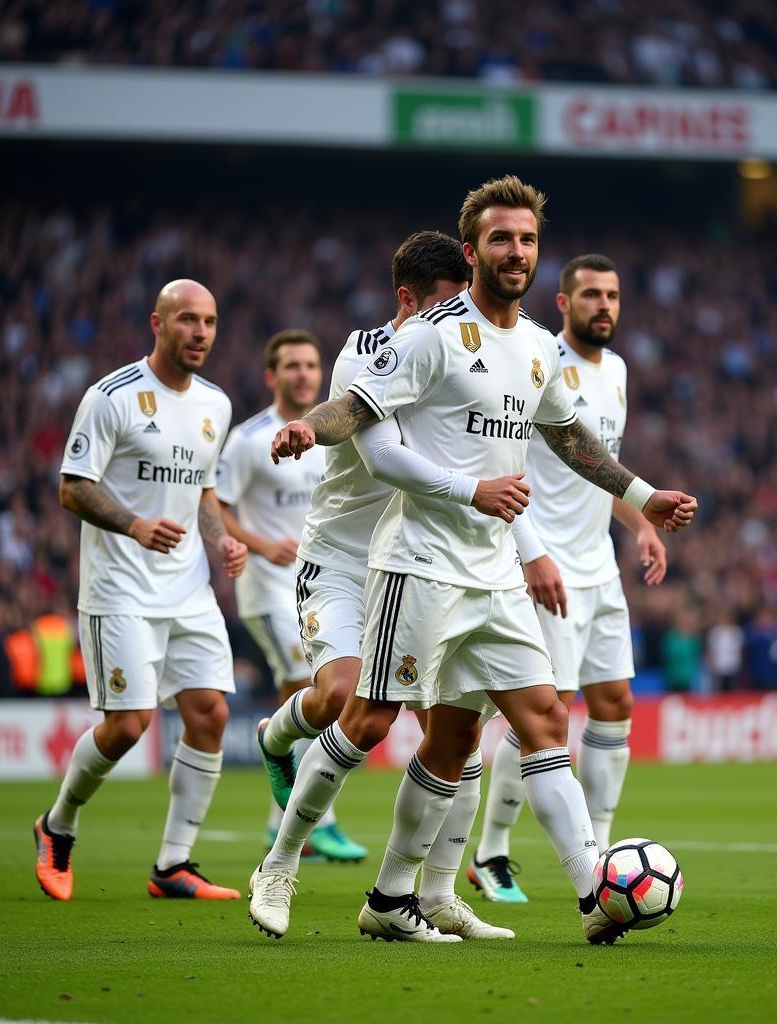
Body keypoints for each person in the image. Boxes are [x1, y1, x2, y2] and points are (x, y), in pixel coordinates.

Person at [256, 176, 697, 945]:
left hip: (492, 571)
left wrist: (645, 493)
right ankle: (280, 862)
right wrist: (307, 427)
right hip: (417, 565)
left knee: (528, 723)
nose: (516, 251)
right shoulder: (428, 336)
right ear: (472, 250)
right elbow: (357, 412)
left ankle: (552, 894)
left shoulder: (535, 349)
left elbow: (568, 437)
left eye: (527, 239)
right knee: (368, 719)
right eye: (501, 239)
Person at [250, 230, 519, 941]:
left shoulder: (478, 353)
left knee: (454, 734)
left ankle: (433, 896)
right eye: (446, 299)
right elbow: (361, 430)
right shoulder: (370, 350)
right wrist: (309, 425)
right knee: (349, 704)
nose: (462, 311)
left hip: (424, 563)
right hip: (341, 560)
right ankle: (278, 856)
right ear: (409, 300)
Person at [33, 279, 247, 901]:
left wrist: (221, 538)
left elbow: (203, 489)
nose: (200, 333)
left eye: (209, 322)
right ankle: (57, 824)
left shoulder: (216, 404)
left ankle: (173, 865)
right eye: (187, 320)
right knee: (129, 727)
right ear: (157, 323)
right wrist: (133, 524)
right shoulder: (112, 398)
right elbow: (72, 487)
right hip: (120, 590)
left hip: (188, 589)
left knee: (210, 713)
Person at [469, 253, 667, 903]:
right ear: (563, 303)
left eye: (612, 295)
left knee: (615, 706)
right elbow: (508, 461)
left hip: (600, 568)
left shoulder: (618, 371)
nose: (604, 306)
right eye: (591, 296)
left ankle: (602, 850)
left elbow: (594, 465)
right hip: (548, 567)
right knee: (545, 715)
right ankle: (491, 851)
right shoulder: (537, 362)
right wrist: (529, 552)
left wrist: (639, 522)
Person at [216, 329, 365, 861]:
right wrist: (258, 544)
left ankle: (283, 825)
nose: (303, 373)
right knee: (318, 686)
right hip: (268, 587)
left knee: (297, 697)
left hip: (321, 581)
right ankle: (318, 819)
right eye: (292, 366)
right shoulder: (249, 439)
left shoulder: (337, 429)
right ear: (271, 376)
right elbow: (217, 505)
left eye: (310, 365)